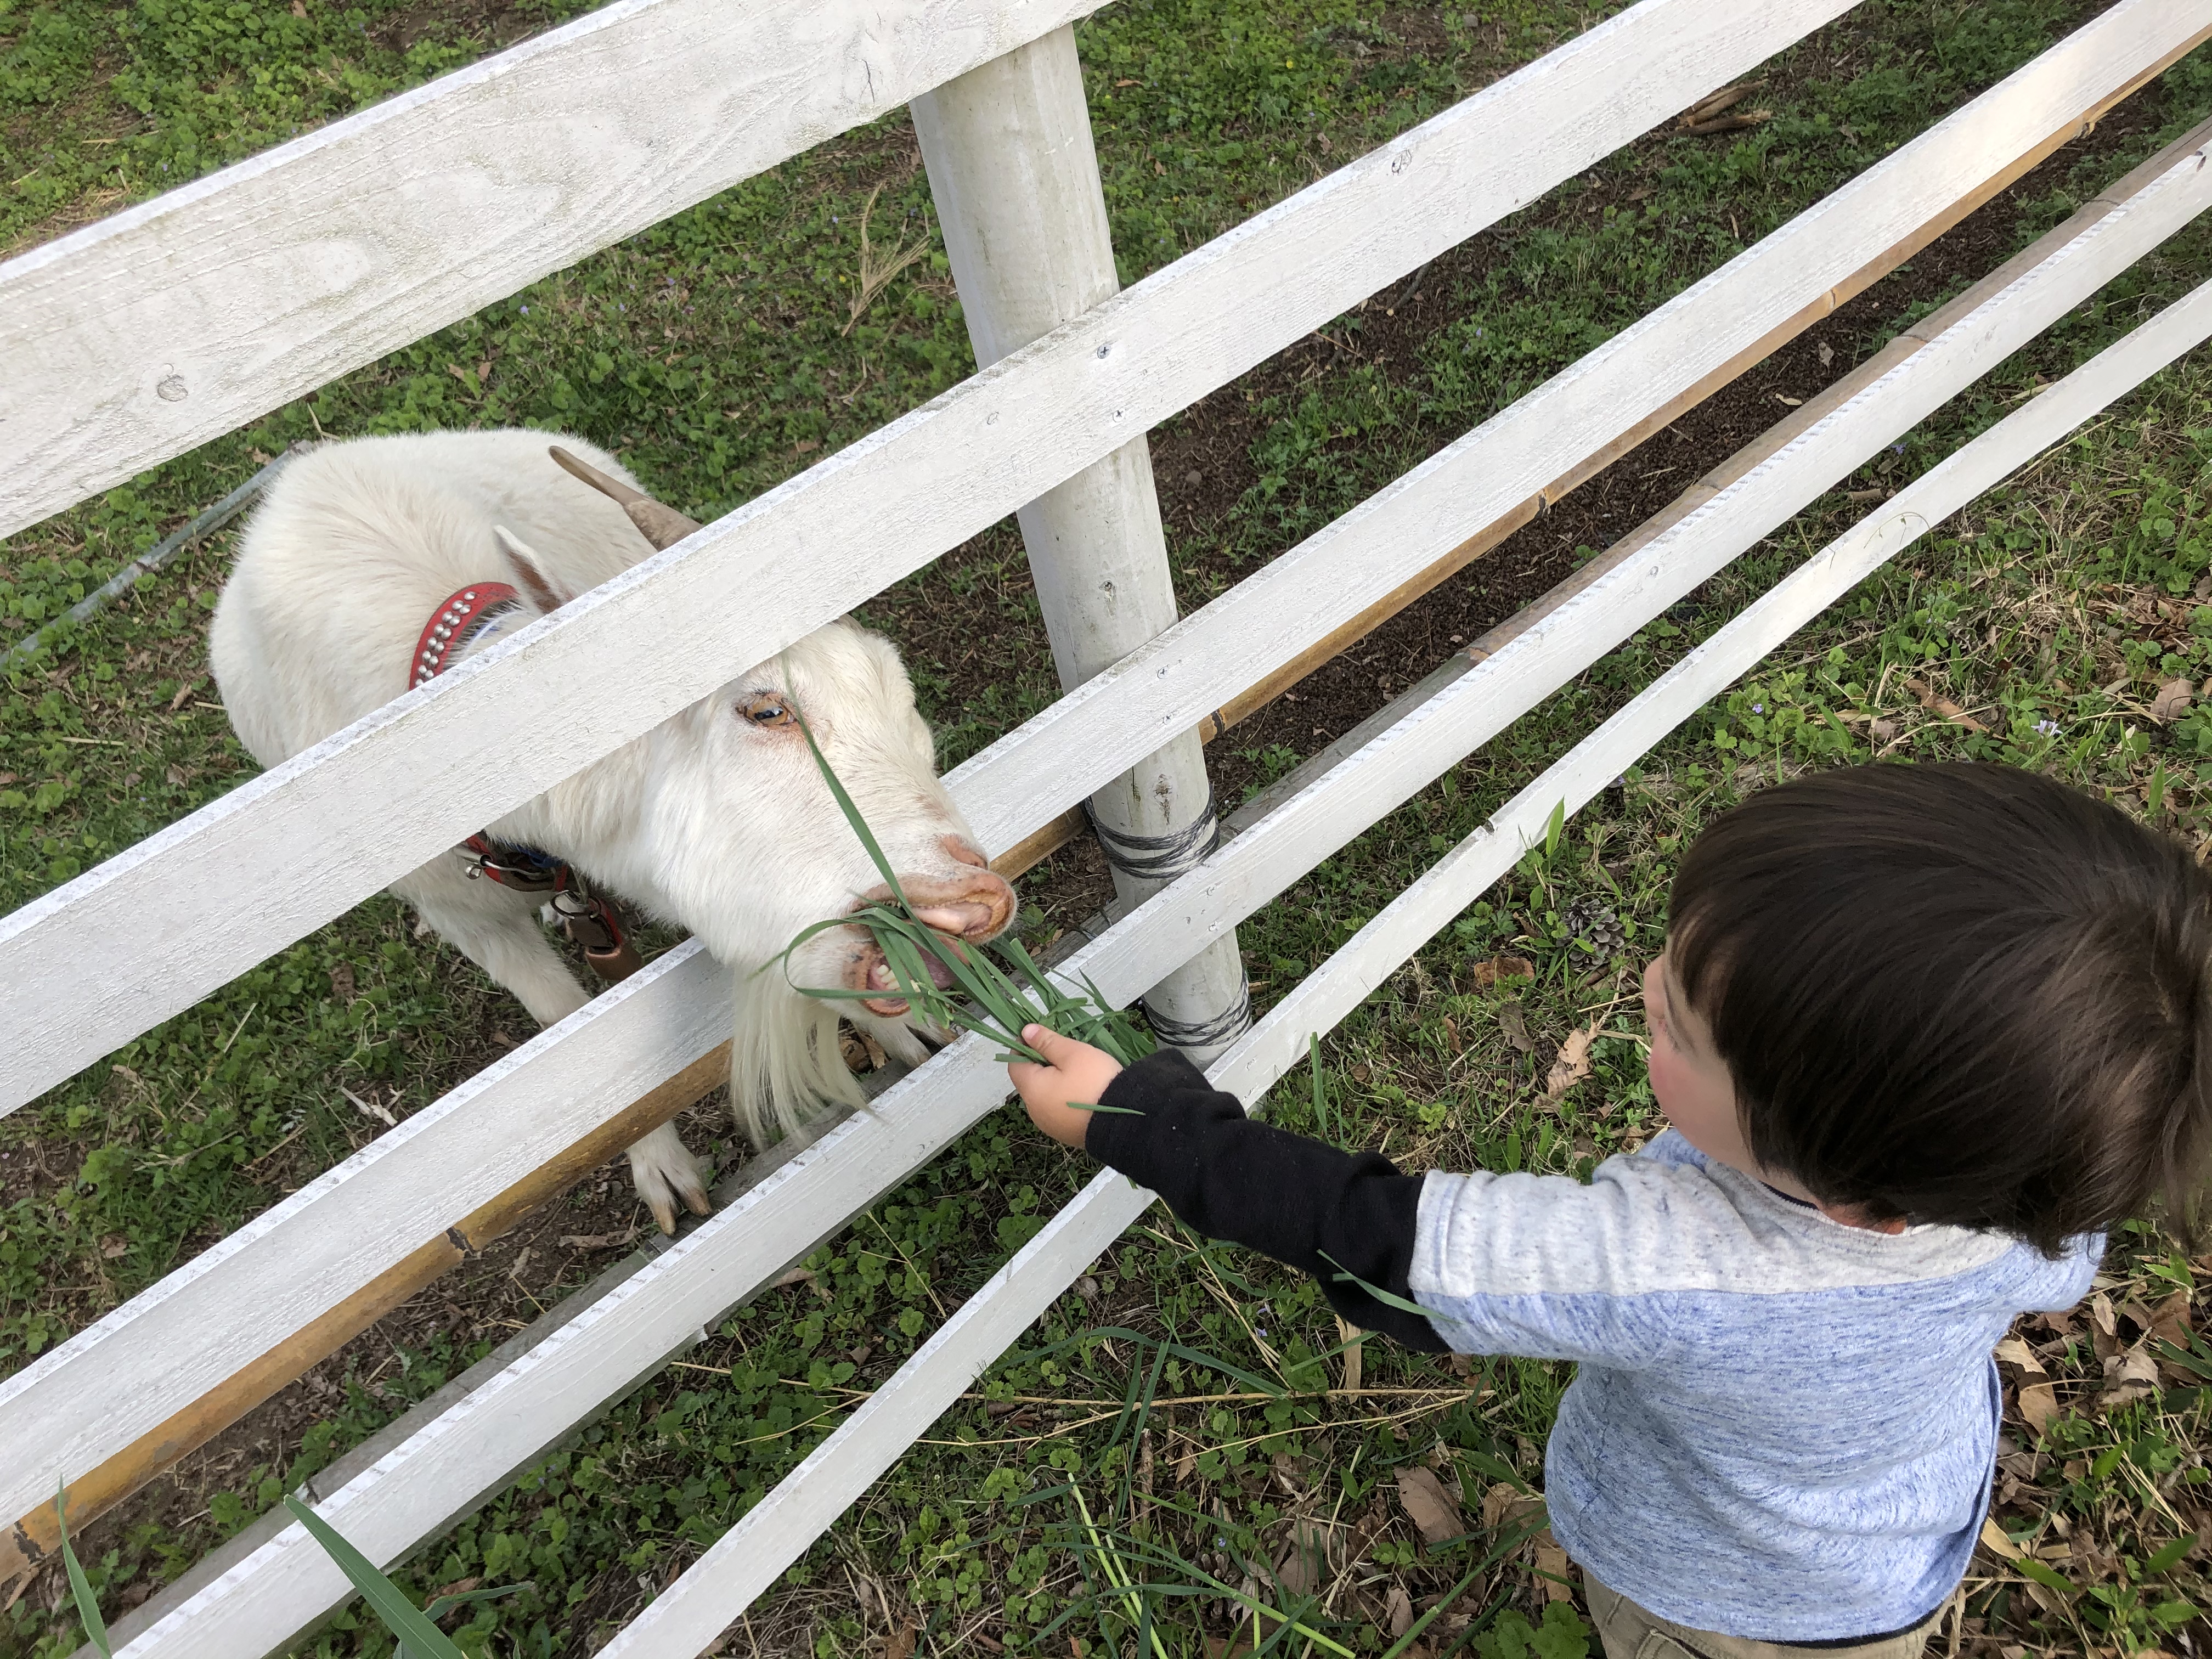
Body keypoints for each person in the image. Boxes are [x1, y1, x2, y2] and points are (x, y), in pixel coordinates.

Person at [1007, 761, 2212, 1658]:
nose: (1646, 984)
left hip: (1708, 1604)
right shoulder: (2037, 1185)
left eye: (1680, 1025)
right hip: (1896, 1565)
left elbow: (1387, 1247)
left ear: (1842, 1175)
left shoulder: (1676, 1266)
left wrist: (1145, 1124)